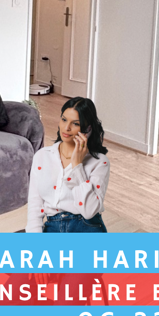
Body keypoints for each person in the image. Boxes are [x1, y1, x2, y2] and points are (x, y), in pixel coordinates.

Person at [26, 97, 110, 233]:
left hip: (87, 226)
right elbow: (35, 205)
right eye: (64, 120)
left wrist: (77, 166)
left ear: (88, 129)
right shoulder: (42, 156)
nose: (66, 128)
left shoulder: (100, 162)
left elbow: (89, 211)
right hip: (53, 226)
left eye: (75, 124)